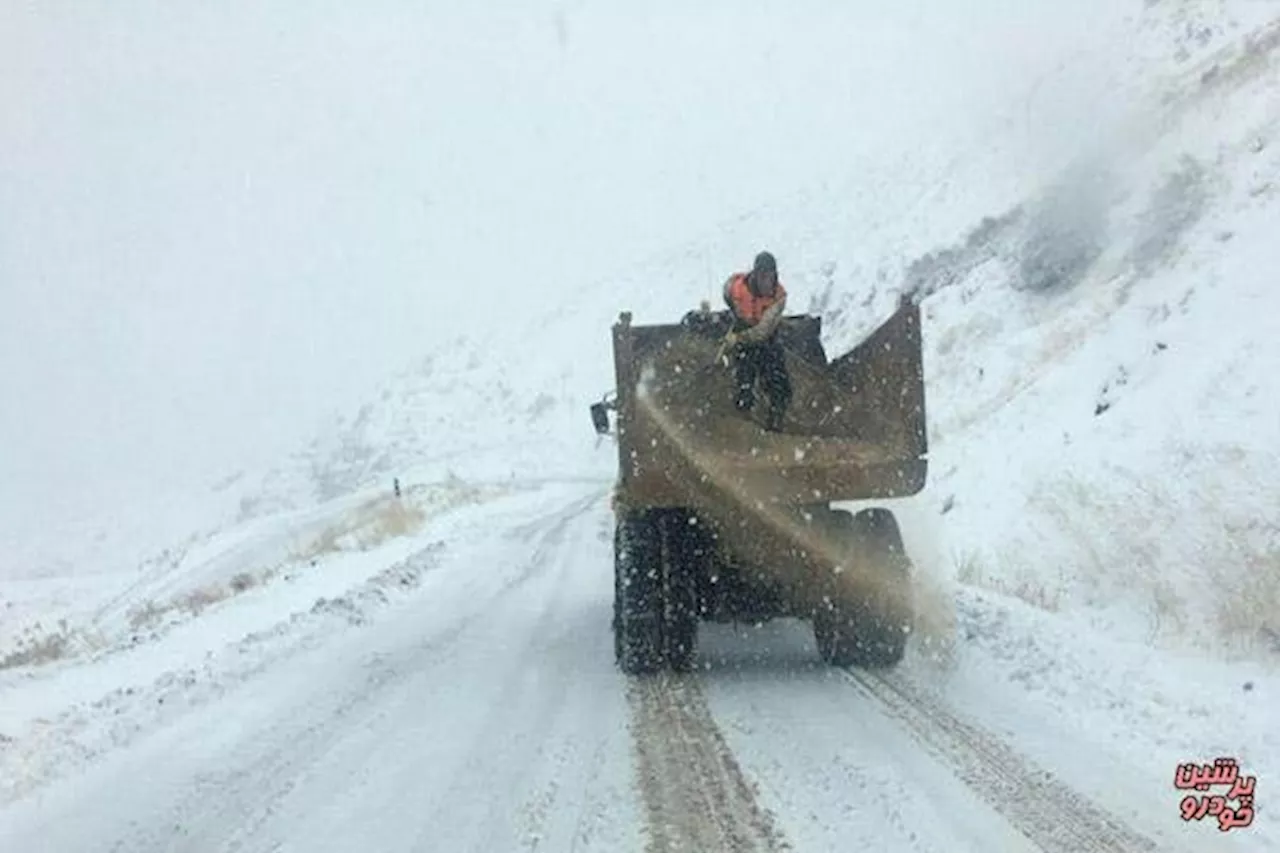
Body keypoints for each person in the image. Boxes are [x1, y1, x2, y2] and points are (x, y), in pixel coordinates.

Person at [721, 251, 792, 432]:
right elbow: (728, 290)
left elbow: (762, 332)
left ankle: (776, 418)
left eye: (770, 276)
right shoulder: (737, 290)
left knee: (778, 377)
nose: (767, 282)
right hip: (743, 333)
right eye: (763, 276)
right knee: (744, 374)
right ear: (756, 275)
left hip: (765, 339)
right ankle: (742, 417)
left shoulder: (779, 298)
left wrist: (737, 338)